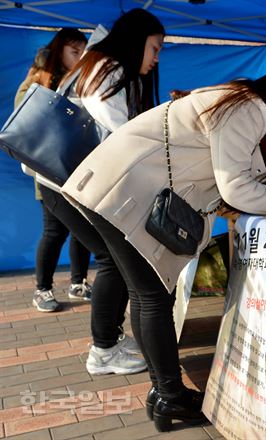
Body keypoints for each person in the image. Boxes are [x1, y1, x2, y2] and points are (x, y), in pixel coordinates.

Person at [60, 70, 266, 432]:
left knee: (147, 296)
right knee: (153, 297)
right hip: (124, 192)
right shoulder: (251, 107)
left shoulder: (232, 100)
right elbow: (236, 187)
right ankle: (169, 396)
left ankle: (163, 392)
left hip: (118, 189)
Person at [36, 8, 166, 376]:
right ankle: (104, 349)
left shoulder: (95, 62)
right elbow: (123, 135)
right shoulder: (110, 69)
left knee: (111, 257)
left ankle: (108, 341)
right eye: (154, 48)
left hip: (60, 181)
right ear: (136, 41)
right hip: (68, 183)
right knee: (113, 259)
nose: (156, 59)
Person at [15, 28, 92, 313]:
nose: (80, 58)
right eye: (75, 52)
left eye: (84, 52)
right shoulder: (37, 81)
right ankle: (42, 289)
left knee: (83, 228)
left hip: (76, 169)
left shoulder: (81, 81)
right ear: (59, 50)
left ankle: (78, 283)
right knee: (55, 230)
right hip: (48, 172)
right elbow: (24, 122)